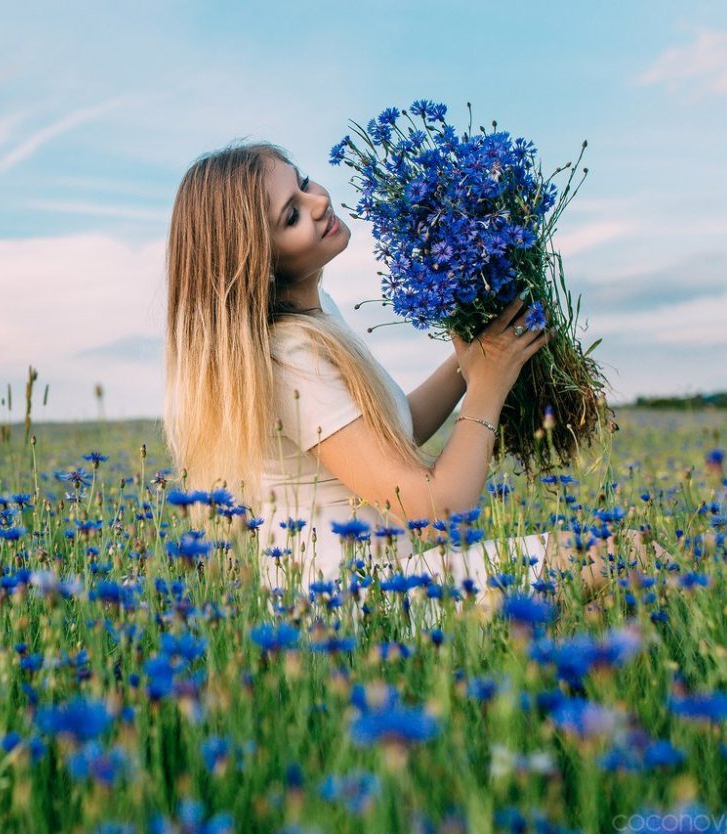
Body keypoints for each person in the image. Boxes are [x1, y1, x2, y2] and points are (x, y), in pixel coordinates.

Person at [163, 140, 615, 612]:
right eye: (291, 216)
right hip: (354, 606)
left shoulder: (317, 316)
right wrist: (488, 386)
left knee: (597, 614)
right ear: (256, 260)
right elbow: (438, 510)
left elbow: (395, 431)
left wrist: (473, 360)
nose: (319, 202)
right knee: (624, 558)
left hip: (391, 578)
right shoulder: (288, 356)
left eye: (302, 182)